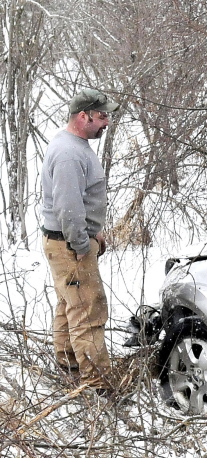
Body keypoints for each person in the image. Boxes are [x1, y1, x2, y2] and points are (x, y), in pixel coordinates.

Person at [40, 88, 120, 394]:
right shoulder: (69, 154)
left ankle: (69, 371)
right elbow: (68, 209)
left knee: (69, 305)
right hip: (70, 245)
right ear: (83, 116)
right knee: (88, 313)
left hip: (66, 242)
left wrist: (92, 230)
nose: (106, 122)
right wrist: (82, 245)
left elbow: (77, 203)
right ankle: (98, 387)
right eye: (101, 116)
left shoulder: (72, 145)